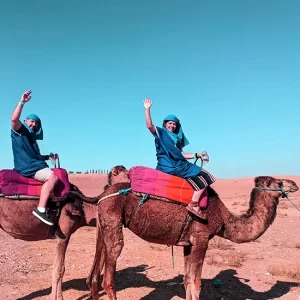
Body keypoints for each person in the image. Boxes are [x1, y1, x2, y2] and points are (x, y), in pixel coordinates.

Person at [143, 98, 216, 220]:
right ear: (165, 124)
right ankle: (194, 204)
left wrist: (196, 155)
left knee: (197, 176)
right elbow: (149, 125)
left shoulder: (176, 139)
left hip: (177, 165)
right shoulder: (161, 133)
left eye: (174, 123)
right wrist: (147, 109)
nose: (172, 125)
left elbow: (180, 154)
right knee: (207, 176)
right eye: (169, 123)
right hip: (174, 167)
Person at [11, 90, 59, 226]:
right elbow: (14, 119)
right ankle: (41, 210)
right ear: (26, 121)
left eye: (36, 123)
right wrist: (22, 102)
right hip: (28, 167)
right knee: (53, 177)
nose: (33, 124)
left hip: (34, 164)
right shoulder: (20, 131)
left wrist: (48, 157)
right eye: (32, 121)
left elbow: (34, 156)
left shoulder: (32, 139)